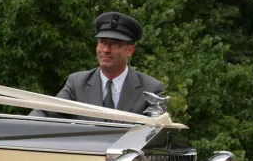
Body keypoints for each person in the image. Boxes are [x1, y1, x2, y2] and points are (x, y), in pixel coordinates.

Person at [28, 11, 166, 119]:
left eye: (114, 44)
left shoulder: (151, 90)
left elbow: (158, 136)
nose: (106, 50)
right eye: (102, 42)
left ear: (130, 50)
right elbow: (45, 112)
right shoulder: (77, 84)